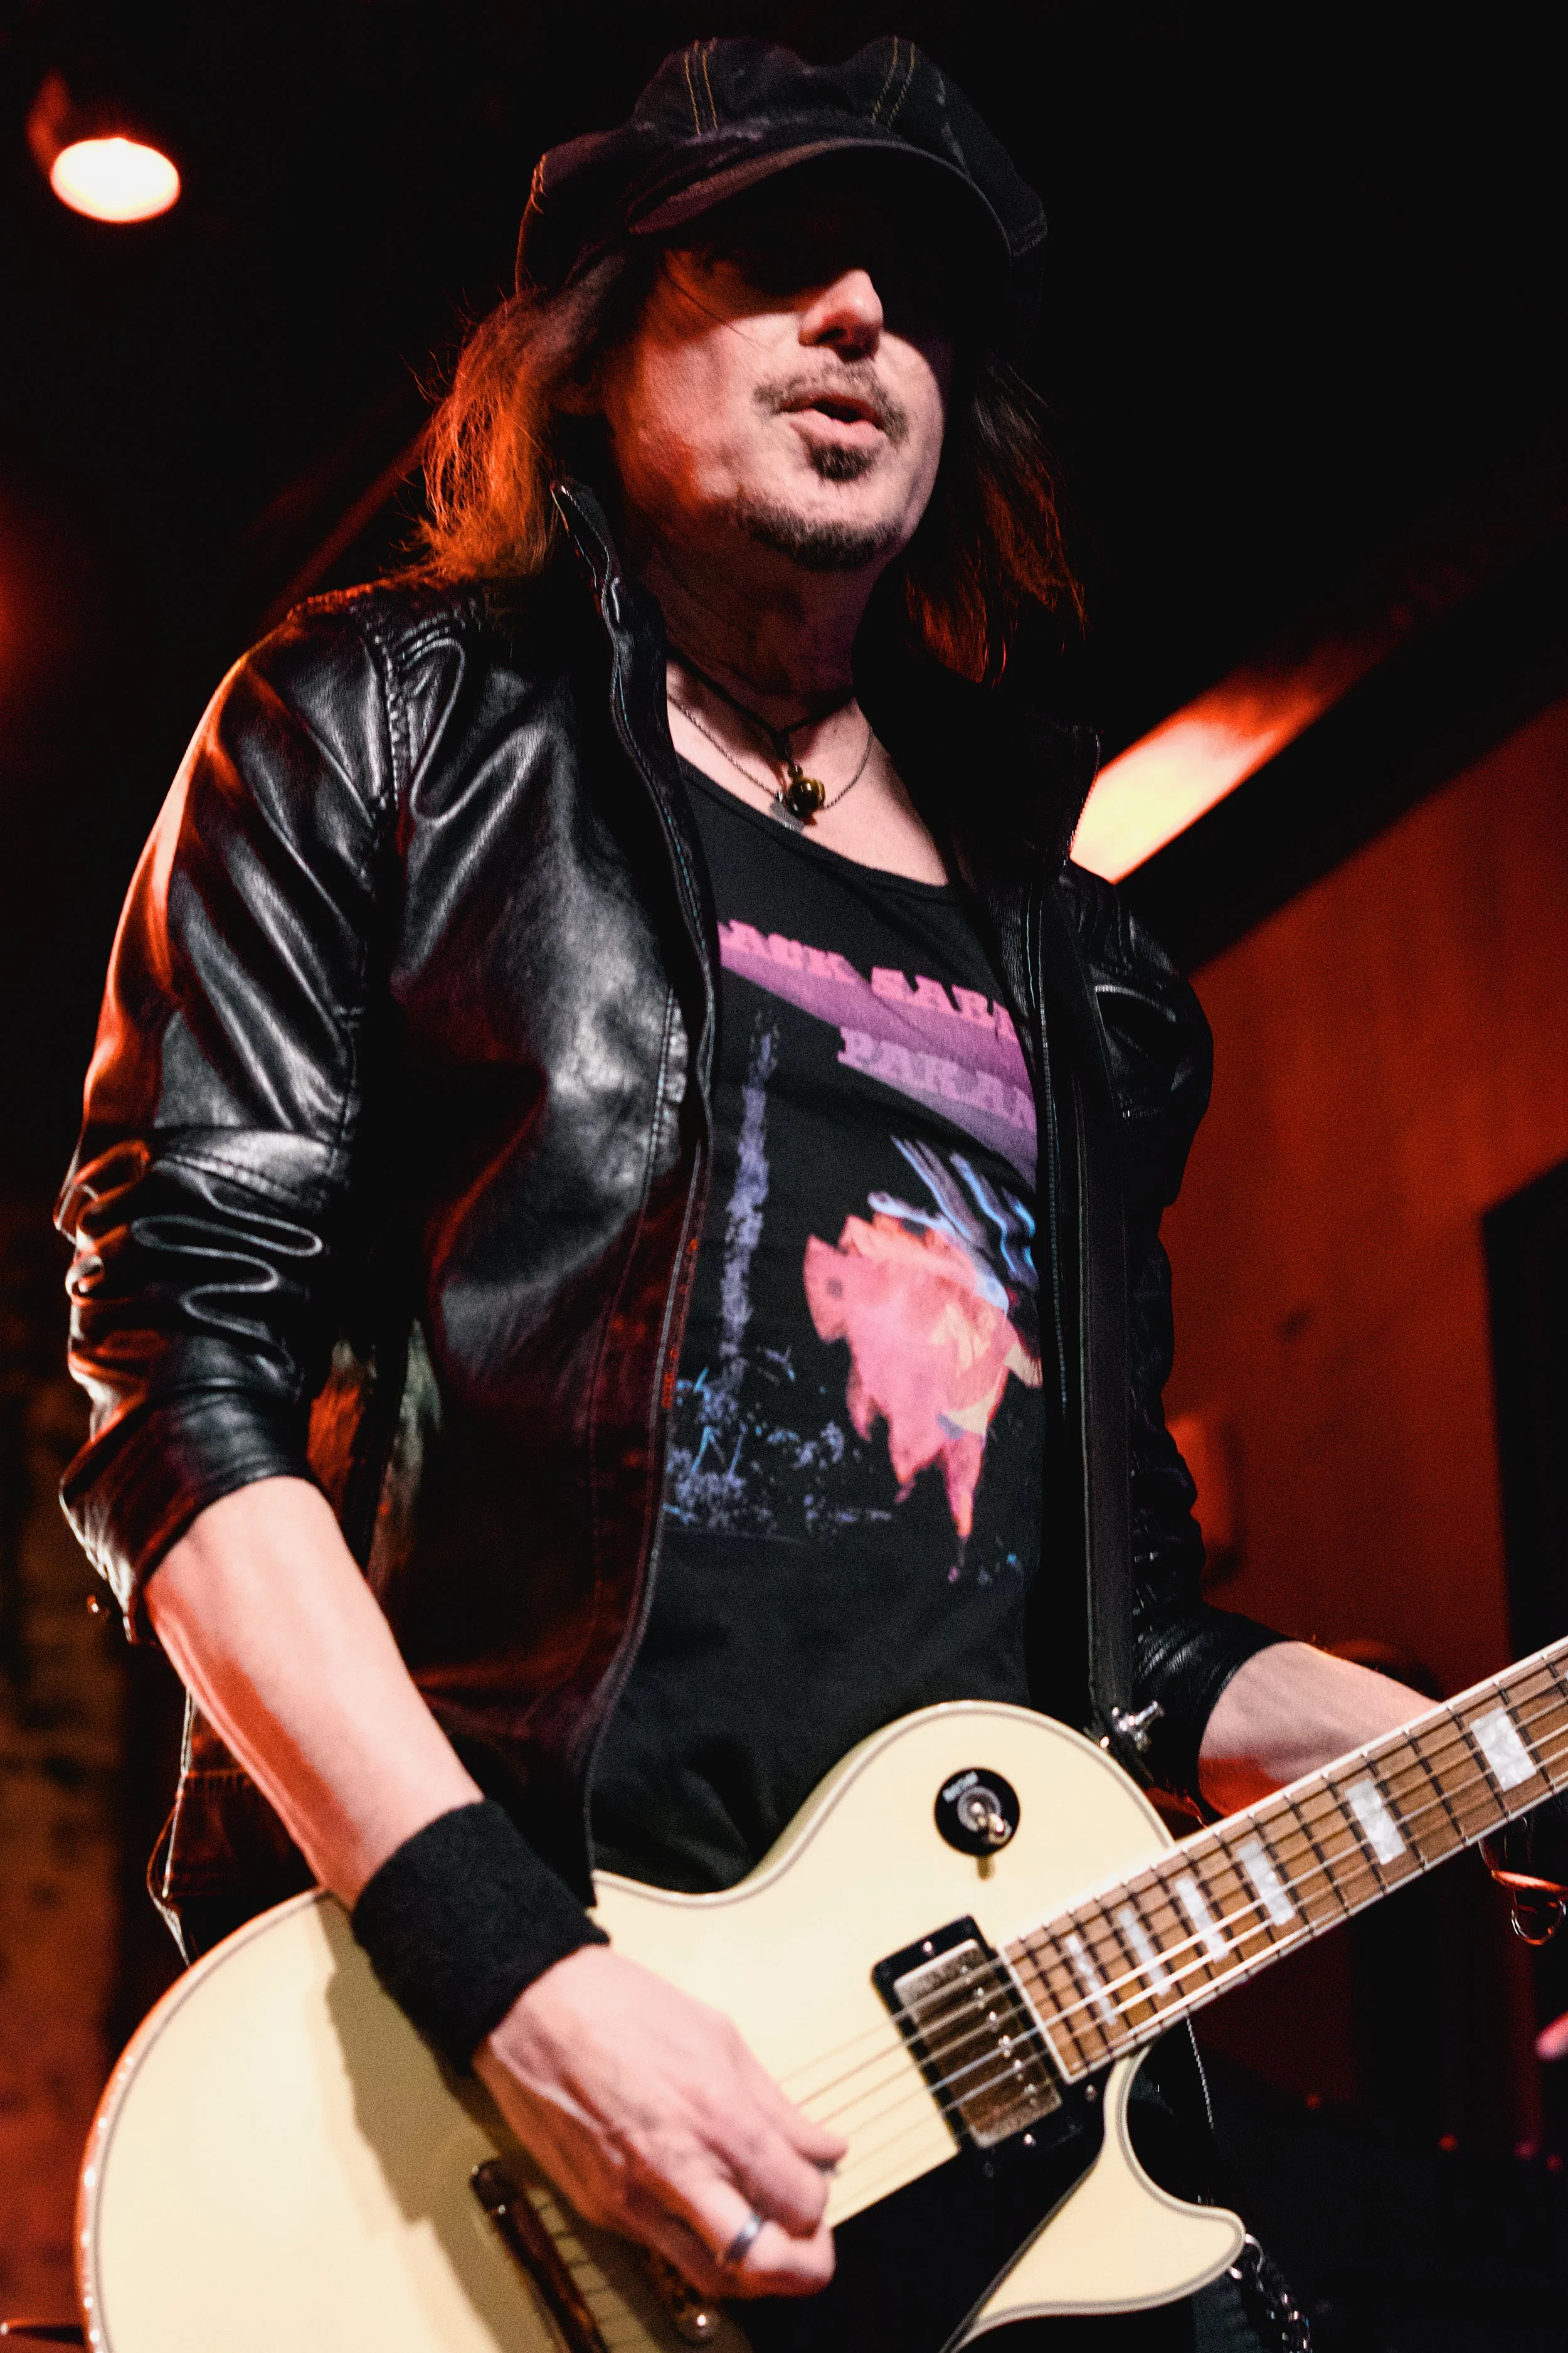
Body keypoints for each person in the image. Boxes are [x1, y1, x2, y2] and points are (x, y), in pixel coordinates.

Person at [56, 35, 1476, 2352]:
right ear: (598, 339)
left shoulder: (1080, 962)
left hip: (980, 2119)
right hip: (478, 2046)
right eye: (772, 255)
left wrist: (1457, 1751)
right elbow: (175, 1386)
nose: (857, 321)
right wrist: (506, 1963)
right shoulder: (385, 729)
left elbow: (1118, 1626)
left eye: (917, 294)